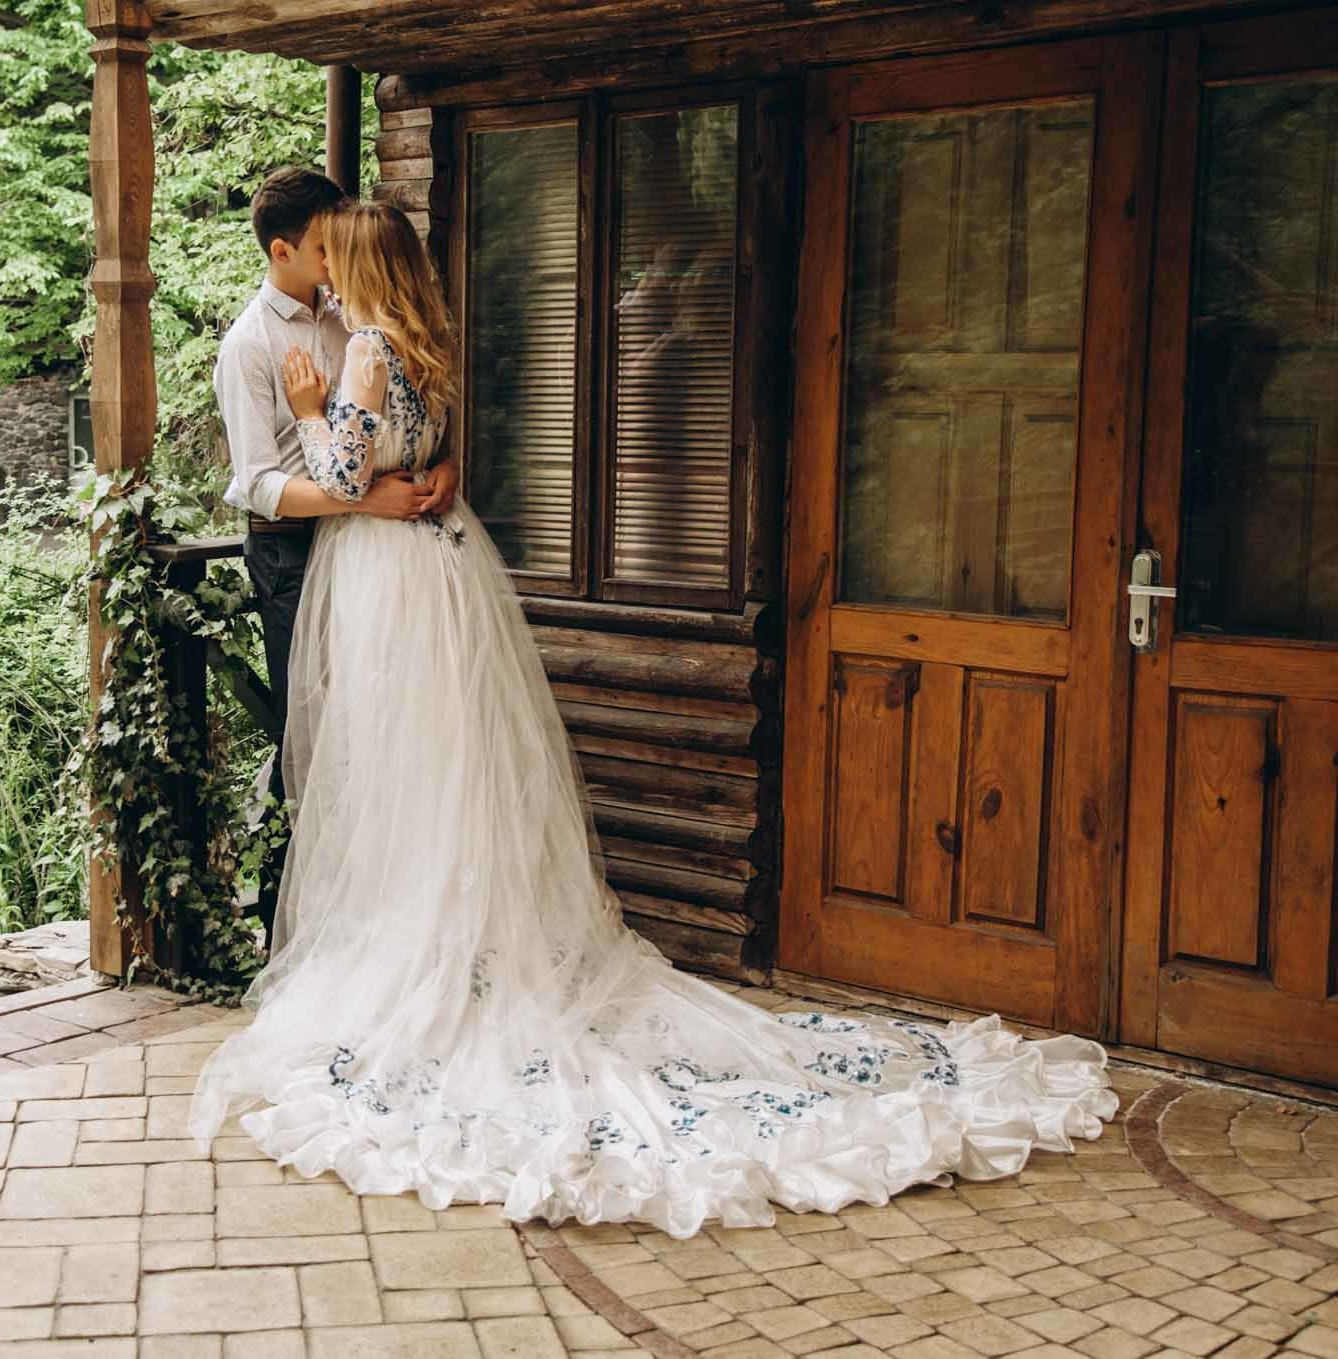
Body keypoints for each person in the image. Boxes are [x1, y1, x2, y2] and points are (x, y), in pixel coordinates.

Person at [188, 199, 1115, 1238]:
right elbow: (376, 466)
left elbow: (346, 475)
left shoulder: (357, 352)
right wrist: (422, 471)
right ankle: (457, 943)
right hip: (434, 570)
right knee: (441, 761)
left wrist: (317, 416)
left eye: (336, 253)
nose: (324, 264)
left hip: (392, 577)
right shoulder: (416, 346)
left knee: (413, 764)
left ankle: (439, 959)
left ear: (352, 263)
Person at [214, 167, 457, 945]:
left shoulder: (356, 319)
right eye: (323, 247)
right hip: (294, 555)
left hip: (378, 557)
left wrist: (441, 471)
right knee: (313, 743)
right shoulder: (249, 345)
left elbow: (398, 426)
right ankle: (305, 933)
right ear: (283, 251)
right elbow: (256, 484)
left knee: (392, 733)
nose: (333, 260)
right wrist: (364, 498)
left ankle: (390, 921)